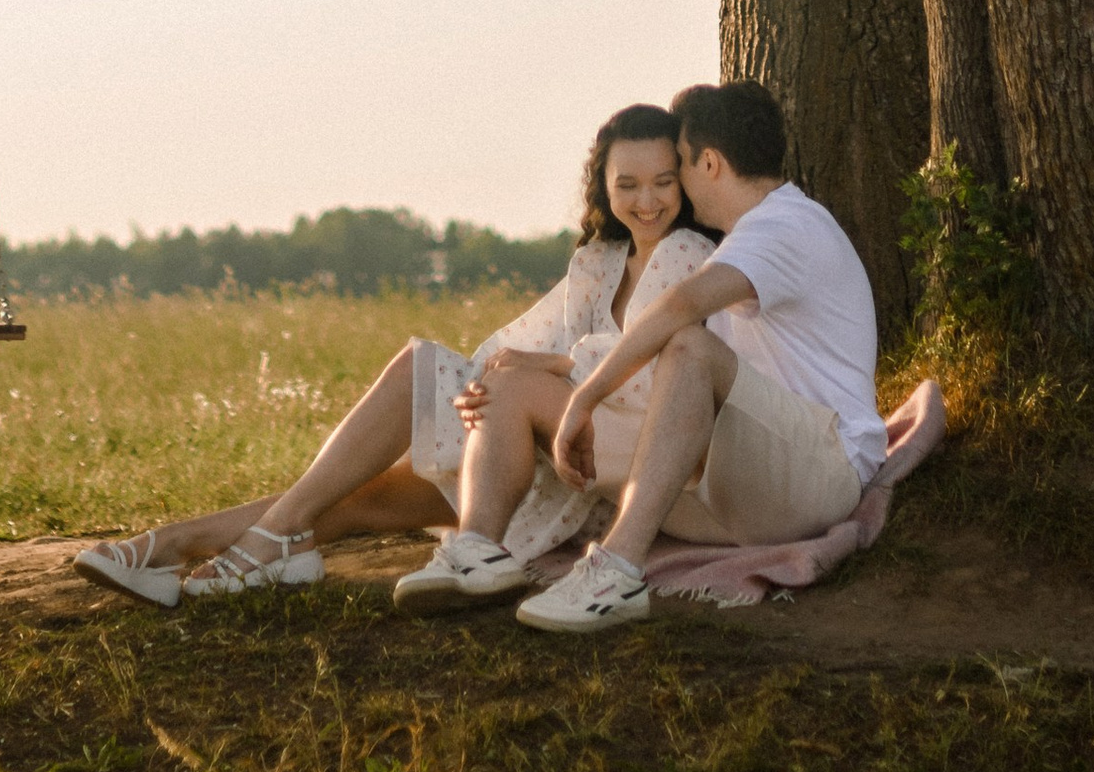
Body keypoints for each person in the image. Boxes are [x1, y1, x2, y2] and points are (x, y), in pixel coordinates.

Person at [73, 105, 716, 610]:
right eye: (628, 184)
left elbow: (636, 368)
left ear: (683, 184)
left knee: (372, 494)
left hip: (601, 461)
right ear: (603, 187)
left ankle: (205, 544)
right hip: (534, 441)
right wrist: (480, 388)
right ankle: (185, 545)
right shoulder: (597, 263)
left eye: (663, 182)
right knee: (379, 462)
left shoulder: (690, 254)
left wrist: (537, 371)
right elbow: (519, 342)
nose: (647, 200)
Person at [508, 76, 885, 640]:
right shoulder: (745, 237)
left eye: (678, 165)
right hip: (753, 485)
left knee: (688, 345)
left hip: (819, 473)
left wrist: (586, 397)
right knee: (537, 403)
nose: (676, 186)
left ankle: (616, 571)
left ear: (708, 163)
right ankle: (479, 549)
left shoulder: (786, 225)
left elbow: (680, 307)